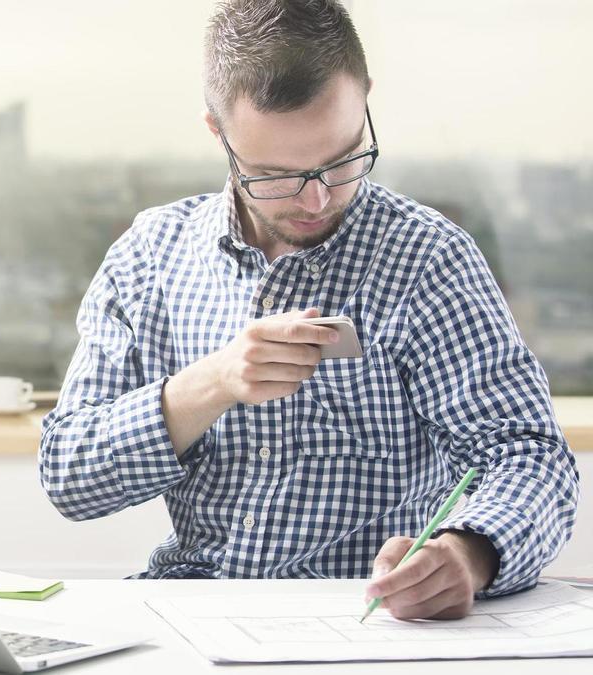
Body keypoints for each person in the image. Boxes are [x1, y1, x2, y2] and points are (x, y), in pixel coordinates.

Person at [39, 0, 579, 621]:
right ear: (218, 132)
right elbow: (68, 478)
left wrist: (469, 552)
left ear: (366, 99)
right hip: (189, 610)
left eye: (343, 158)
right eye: (275, 174)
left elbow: (529, 457)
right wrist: (208, 385)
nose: (318, 199)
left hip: (367, 620)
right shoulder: (150, 256)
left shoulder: (429, 258)